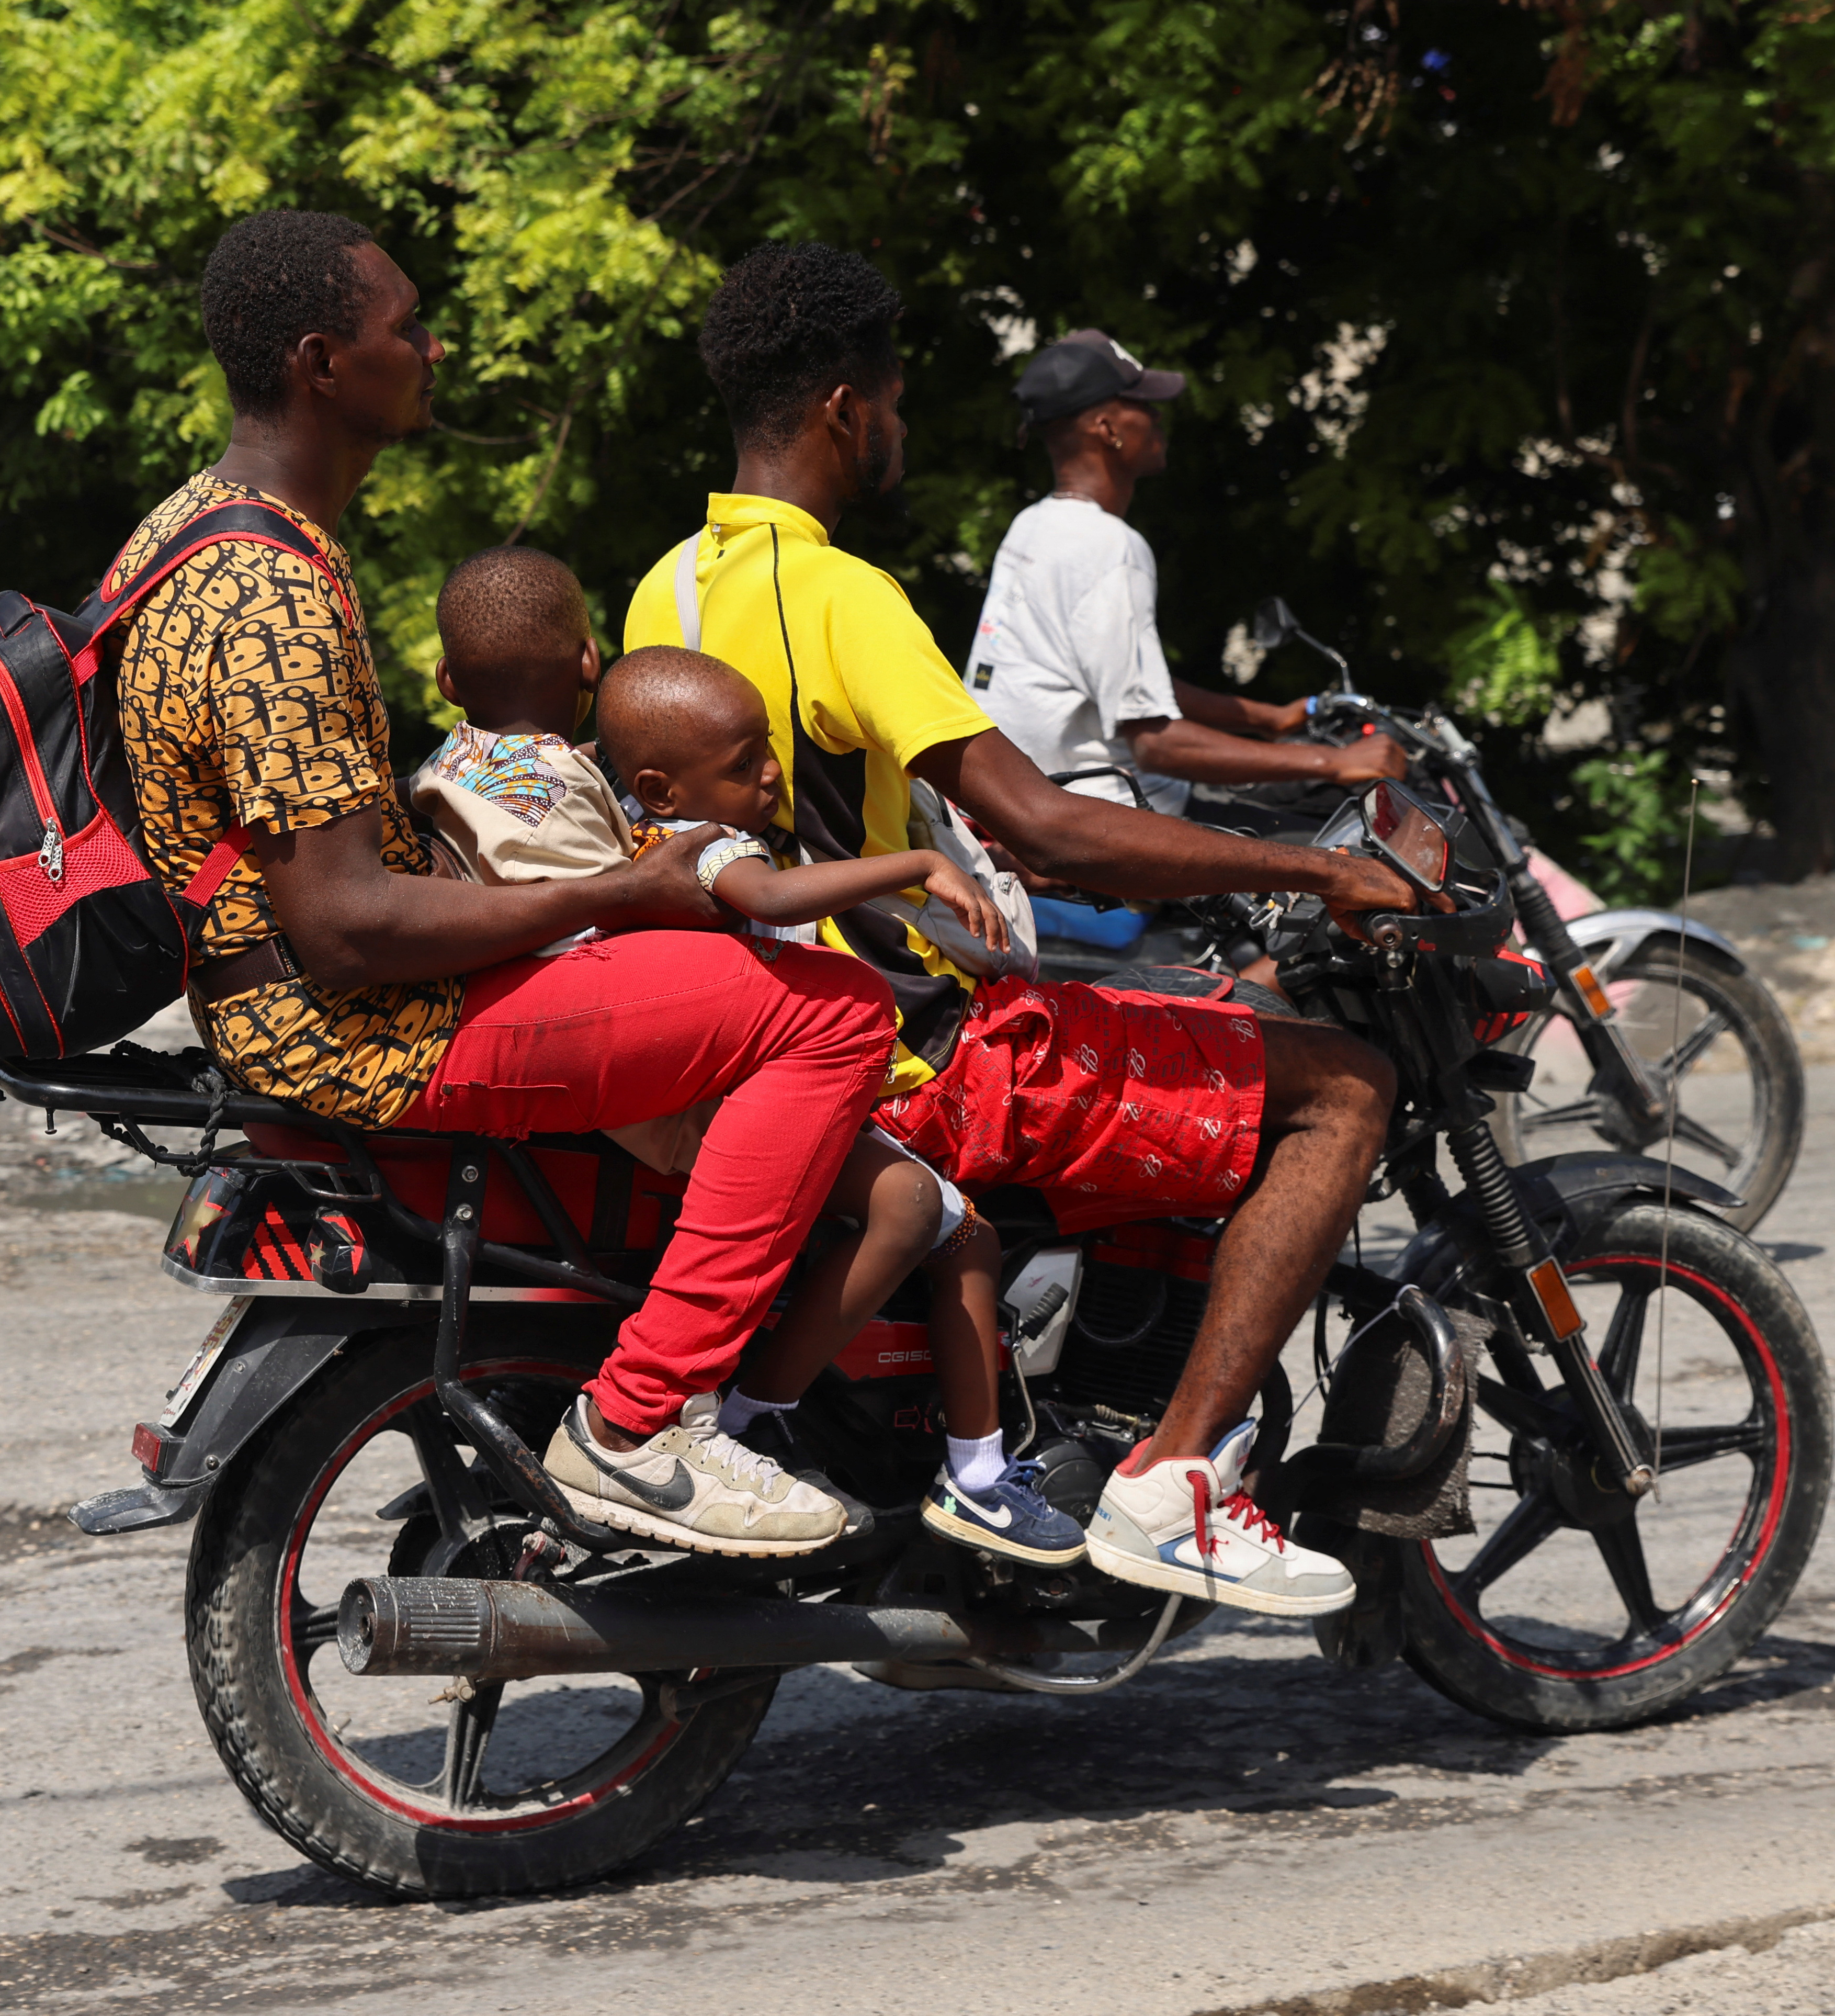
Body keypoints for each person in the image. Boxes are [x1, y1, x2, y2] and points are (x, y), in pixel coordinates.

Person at [620, 243, 1422, 1618]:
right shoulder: (840, 597)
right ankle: (1172, 1484)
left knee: (1188, 1054)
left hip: (747, 1036)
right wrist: (1313, 867)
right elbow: (1043, 821)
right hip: (909, 1056)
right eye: (893, 399)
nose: (902, 426)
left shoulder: (664, 589)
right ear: (838, 409)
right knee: (1346, 1086)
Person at [115, 208, 891, 1561]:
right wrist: (615, 899)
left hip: (306, 1000)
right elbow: (349, 926)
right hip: (361, 1029)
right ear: (318, 363)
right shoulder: (268, 595)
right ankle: (642, 1420)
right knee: (832, 1009)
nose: (428, 346)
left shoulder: (187, 534)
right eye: (402, 327)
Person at [597, 647, 1083, 1566]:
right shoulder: (708, 849)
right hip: (754, 1103)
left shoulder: (647, 832)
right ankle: (781, 1426)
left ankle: (943, 1456)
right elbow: (774, 897)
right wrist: (918, 863)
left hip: (739, 1090)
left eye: (766, 750)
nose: (772, 773)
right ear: (661, 787)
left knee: (949, 1219)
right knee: (932, 1215)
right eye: (744, 765)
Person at [966, 328, 1407, 841]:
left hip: (1027, 800)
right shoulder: (1111, 547)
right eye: (1142, 405)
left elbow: (1126, 688)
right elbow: (1157, 744)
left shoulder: (1035, 525)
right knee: (1362, 860)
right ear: (1107, 428)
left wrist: (1270, 719)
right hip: (1101, 815)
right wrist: (1332, 762)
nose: (1157, 416)